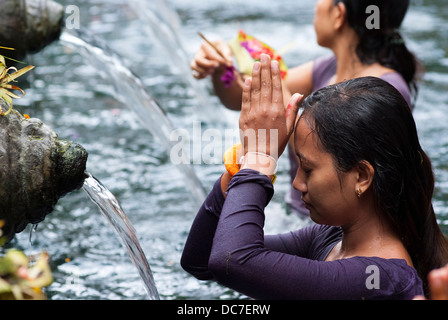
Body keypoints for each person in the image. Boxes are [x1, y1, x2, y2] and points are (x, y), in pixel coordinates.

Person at [181, 54, 448, 299]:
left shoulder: (382, 279)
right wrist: (238, 167)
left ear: (362, 176)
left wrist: (261, 160)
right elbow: (202, 259)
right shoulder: (329, 239)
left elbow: (233, 260)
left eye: (308, 169)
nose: (297, 183)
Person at [190, 0, 422, 217]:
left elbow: (332, 159)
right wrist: (222, 68)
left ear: (338, 14)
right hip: (303, 220)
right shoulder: (329, 68)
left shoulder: (386, 88)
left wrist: (279, 94)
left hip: (337, 233)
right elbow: (241, 98)